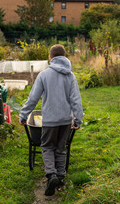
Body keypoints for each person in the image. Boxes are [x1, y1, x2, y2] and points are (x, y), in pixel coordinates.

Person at [19, 44, 83, 196]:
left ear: (50, 58)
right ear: (64, 57)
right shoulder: (70, 75)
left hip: (49, 120)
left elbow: (33, 99)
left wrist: (23, 115)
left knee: (47, 147)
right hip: (66, 120)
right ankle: (61, 177)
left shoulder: (44, 75)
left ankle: (51, 175)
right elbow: (76, 100)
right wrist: (78, 119)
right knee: (61, 148)